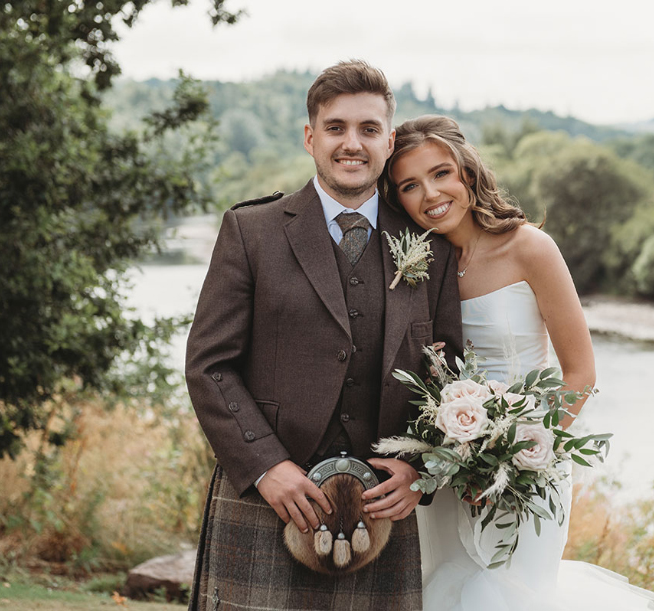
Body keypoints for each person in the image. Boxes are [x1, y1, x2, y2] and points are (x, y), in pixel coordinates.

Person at [185, 64, 462, 611]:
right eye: (335, 128)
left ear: (388, 139)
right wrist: (266, 467)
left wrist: (421, 469)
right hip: (269, 501)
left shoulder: (432, 244)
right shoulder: (252, 231)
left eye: (368, 129)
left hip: (383, 511)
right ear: (311, 137)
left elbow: (449, 370)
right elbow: (209, 366)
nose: (351, 144)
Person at [382, 115, 654, 611]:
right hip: (447, 474)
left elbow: (581, 374)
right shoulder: (419, 267)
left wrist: (517, 456)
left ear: (467, 173)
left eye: (441, 174)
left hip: (526, 470)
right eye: (410, 185)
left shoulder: (530, 248)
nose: (430, 194)